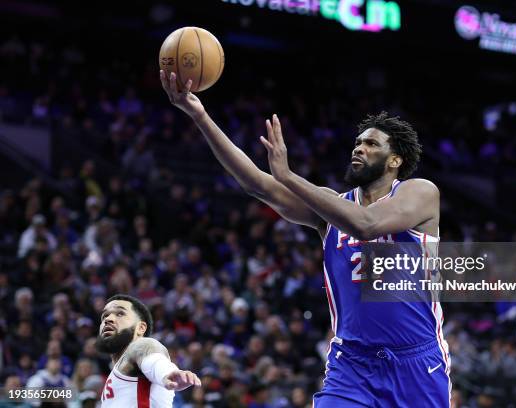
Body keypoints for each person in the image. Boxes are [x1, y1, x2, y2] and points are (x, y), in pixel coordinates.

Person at [161, 71, 451, 407]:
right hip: (352, 365)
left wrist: (287, 175)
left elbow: (367, 225)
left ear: (395, 160)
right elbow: (256, 183)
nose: (359, 148)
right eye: (357, 142)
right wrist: (199, 115)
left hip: (416, 363)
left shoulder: (420, 193)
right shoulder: (330, 207)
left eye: (371, 144)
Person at [95, 294, 201, 407]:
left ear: (140, 328)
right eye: (105, 316)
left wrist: (167, 373)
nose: (108, 319)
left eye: (120, 314)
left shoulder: (142, 345)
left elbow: (153, 358)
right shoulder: (115, 374)